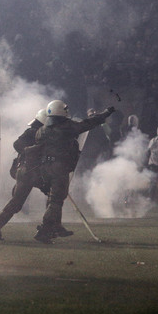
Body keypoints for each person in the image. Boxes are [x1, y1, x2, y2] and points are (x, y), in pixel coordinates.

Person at [33, 100, 114, 243]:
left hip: (45, 168)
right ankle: (45, 229)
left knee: (53, 199)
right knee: (56, 200)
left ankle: (55, 227)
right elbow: (87, 124)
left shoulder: (41, 130)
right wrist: (105, 114)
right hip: (60, 168)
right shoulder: (67, 127)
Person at [0, 108, 48, 241]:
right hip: (30, 172)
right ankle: (47, 230)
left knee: (17, 202)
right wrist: (34, 150)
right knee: (53, 197)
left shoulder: (45, 133)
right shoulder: (32, 132)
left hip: (34, 173)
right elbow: (17, 144)